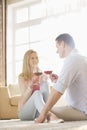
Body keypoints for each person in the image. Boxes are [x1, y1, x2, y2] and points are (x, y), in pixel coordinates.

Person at [35, 33, 87, 123]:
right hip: (81, 107)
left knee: (41, 109)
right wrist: (58, 80)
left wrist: (43, 114)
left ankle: (51, 116)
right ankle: (51, 116)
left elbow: (58, 90)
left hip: (82, 110)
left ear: (63, 44)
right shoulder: (80, 58)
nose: (56, 51)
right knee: (44, 108)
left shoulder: (72, 59)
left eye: (57, 47)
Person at [18, 49, 58, 121]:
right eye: (32, 58)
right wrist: (30, 88)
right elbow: (23, 99)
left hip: (38, 113)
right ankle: (49, 116)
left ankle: (47, 112)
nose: (35, 60)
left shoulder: (41, 75)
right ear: (27, 61)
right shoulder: (22, 77)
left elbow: (47, 95)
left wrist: (52, 80)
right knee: (36, 93)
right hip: (25, 112)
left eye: (36, 58)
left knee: (45, 83)